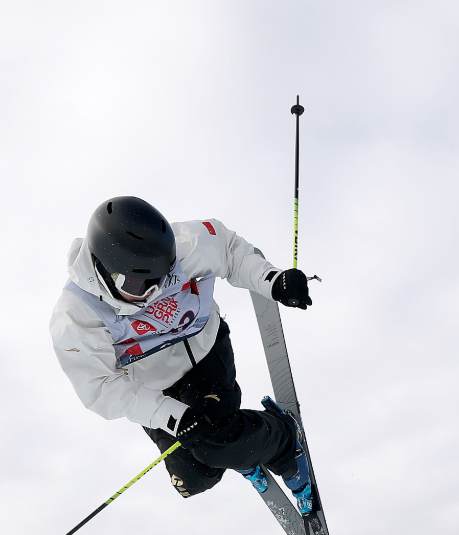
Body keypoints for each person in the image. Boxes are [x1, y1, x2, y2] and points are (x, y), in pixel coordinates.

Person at [49, 196, 316, 512]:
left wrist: (271, 280)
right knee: (192, 480)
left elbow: (229, 251)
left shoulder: (182, 247)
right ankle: (241, 452)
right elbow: (100, 388)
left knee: (215, 441)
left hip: (203, 356)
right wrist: (173, 416)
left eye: (162, 278)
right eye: (137, 285)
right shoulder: (75, 316)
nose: (152, 293)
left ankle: (283, 442)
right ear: (103, 270)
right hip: (151, 389)